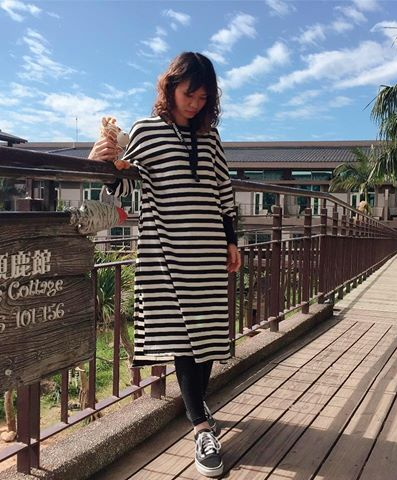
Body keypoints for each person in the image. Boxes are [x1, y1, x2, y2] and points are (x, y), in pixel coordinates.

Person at [88, 52, 241, 478]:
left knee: (206, 334)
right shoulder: (146, 130)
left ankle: (199, 411)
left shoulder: (210, 138)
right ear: (170, 87)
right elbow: (120, 182)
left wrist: (231, 240)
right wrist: (102, 159)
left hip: (208, 251)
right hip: (168, 251)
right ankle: (201, 427)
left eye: (203, 97)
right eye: (189, 94)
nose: (195, 103)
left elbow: (223, 192)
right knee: (184, 336)